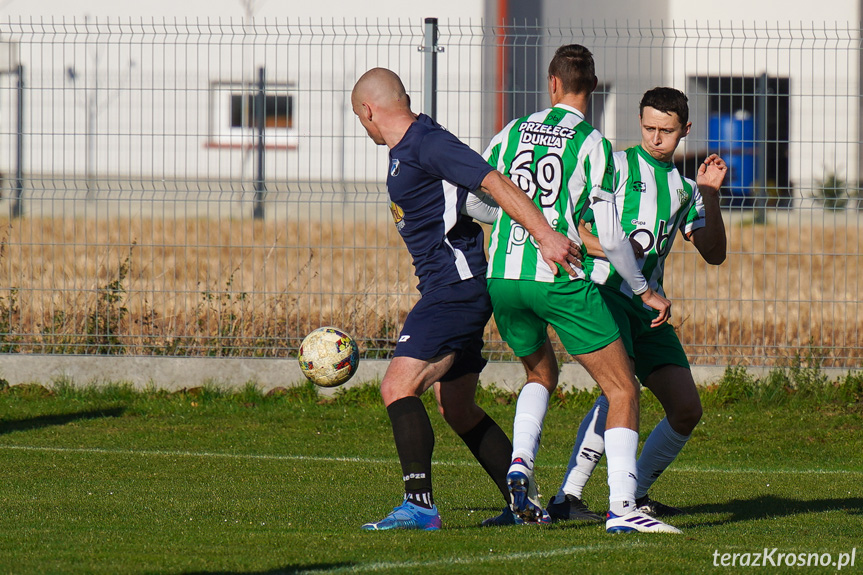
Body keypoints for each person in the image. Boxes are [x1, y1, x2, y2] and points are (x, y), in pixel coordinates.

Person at [350, 67, 582, 531]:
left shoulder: (426, 142)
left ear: (368, 111)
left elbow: (493, 181)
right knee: (456, 406)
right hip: (452, 285)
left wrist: (545, 236)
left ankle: (418, 506)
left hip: (454, 287)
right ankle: (524, 506)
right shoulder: (408, 147)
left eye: (361, 119)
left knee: (397, 386)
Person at [481, 44, 681, 533]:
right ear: (590, 88)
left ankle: (520, 467)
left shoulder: (511, 132)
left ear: (552, 82)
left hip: (503, 277)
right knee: (621, 387)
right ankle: (623, 510)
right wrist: (641, 287)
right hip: (558, 280)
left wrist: (521, 227)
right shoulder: (592, 144)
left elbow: (478, 203)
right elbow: (610, 235)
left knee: (540, 373)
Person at [545, 87, 728, 523]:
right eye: (648, 128)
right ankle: (570, 495)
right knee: (619, 390)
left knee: (686, 409)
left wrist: (710, 194)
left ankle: (637, 492)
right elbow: (575, 227)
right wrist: (614, 253)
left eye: (666, 130)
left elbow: (715, 252)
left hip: (650, 310)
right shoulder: (616, 166)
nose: (656, 138)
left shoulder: (685, 189)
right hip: (606, 295)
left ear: (685, 130)